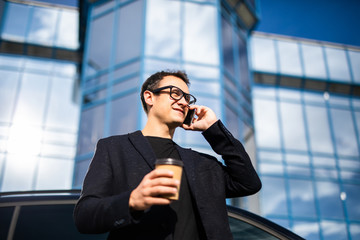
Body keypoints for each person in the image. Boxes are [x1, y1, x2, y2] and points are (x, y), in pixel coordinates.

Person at [74, 70, 262, 240]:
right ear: (149, 97)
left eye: (187, 98)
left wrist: (214, 130)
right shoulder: (114, 148)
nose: (183, 102)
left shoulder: (203, 163)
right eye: (175, 93)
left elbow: (248, 183)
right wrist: (132, 201)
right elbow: (85, 216)